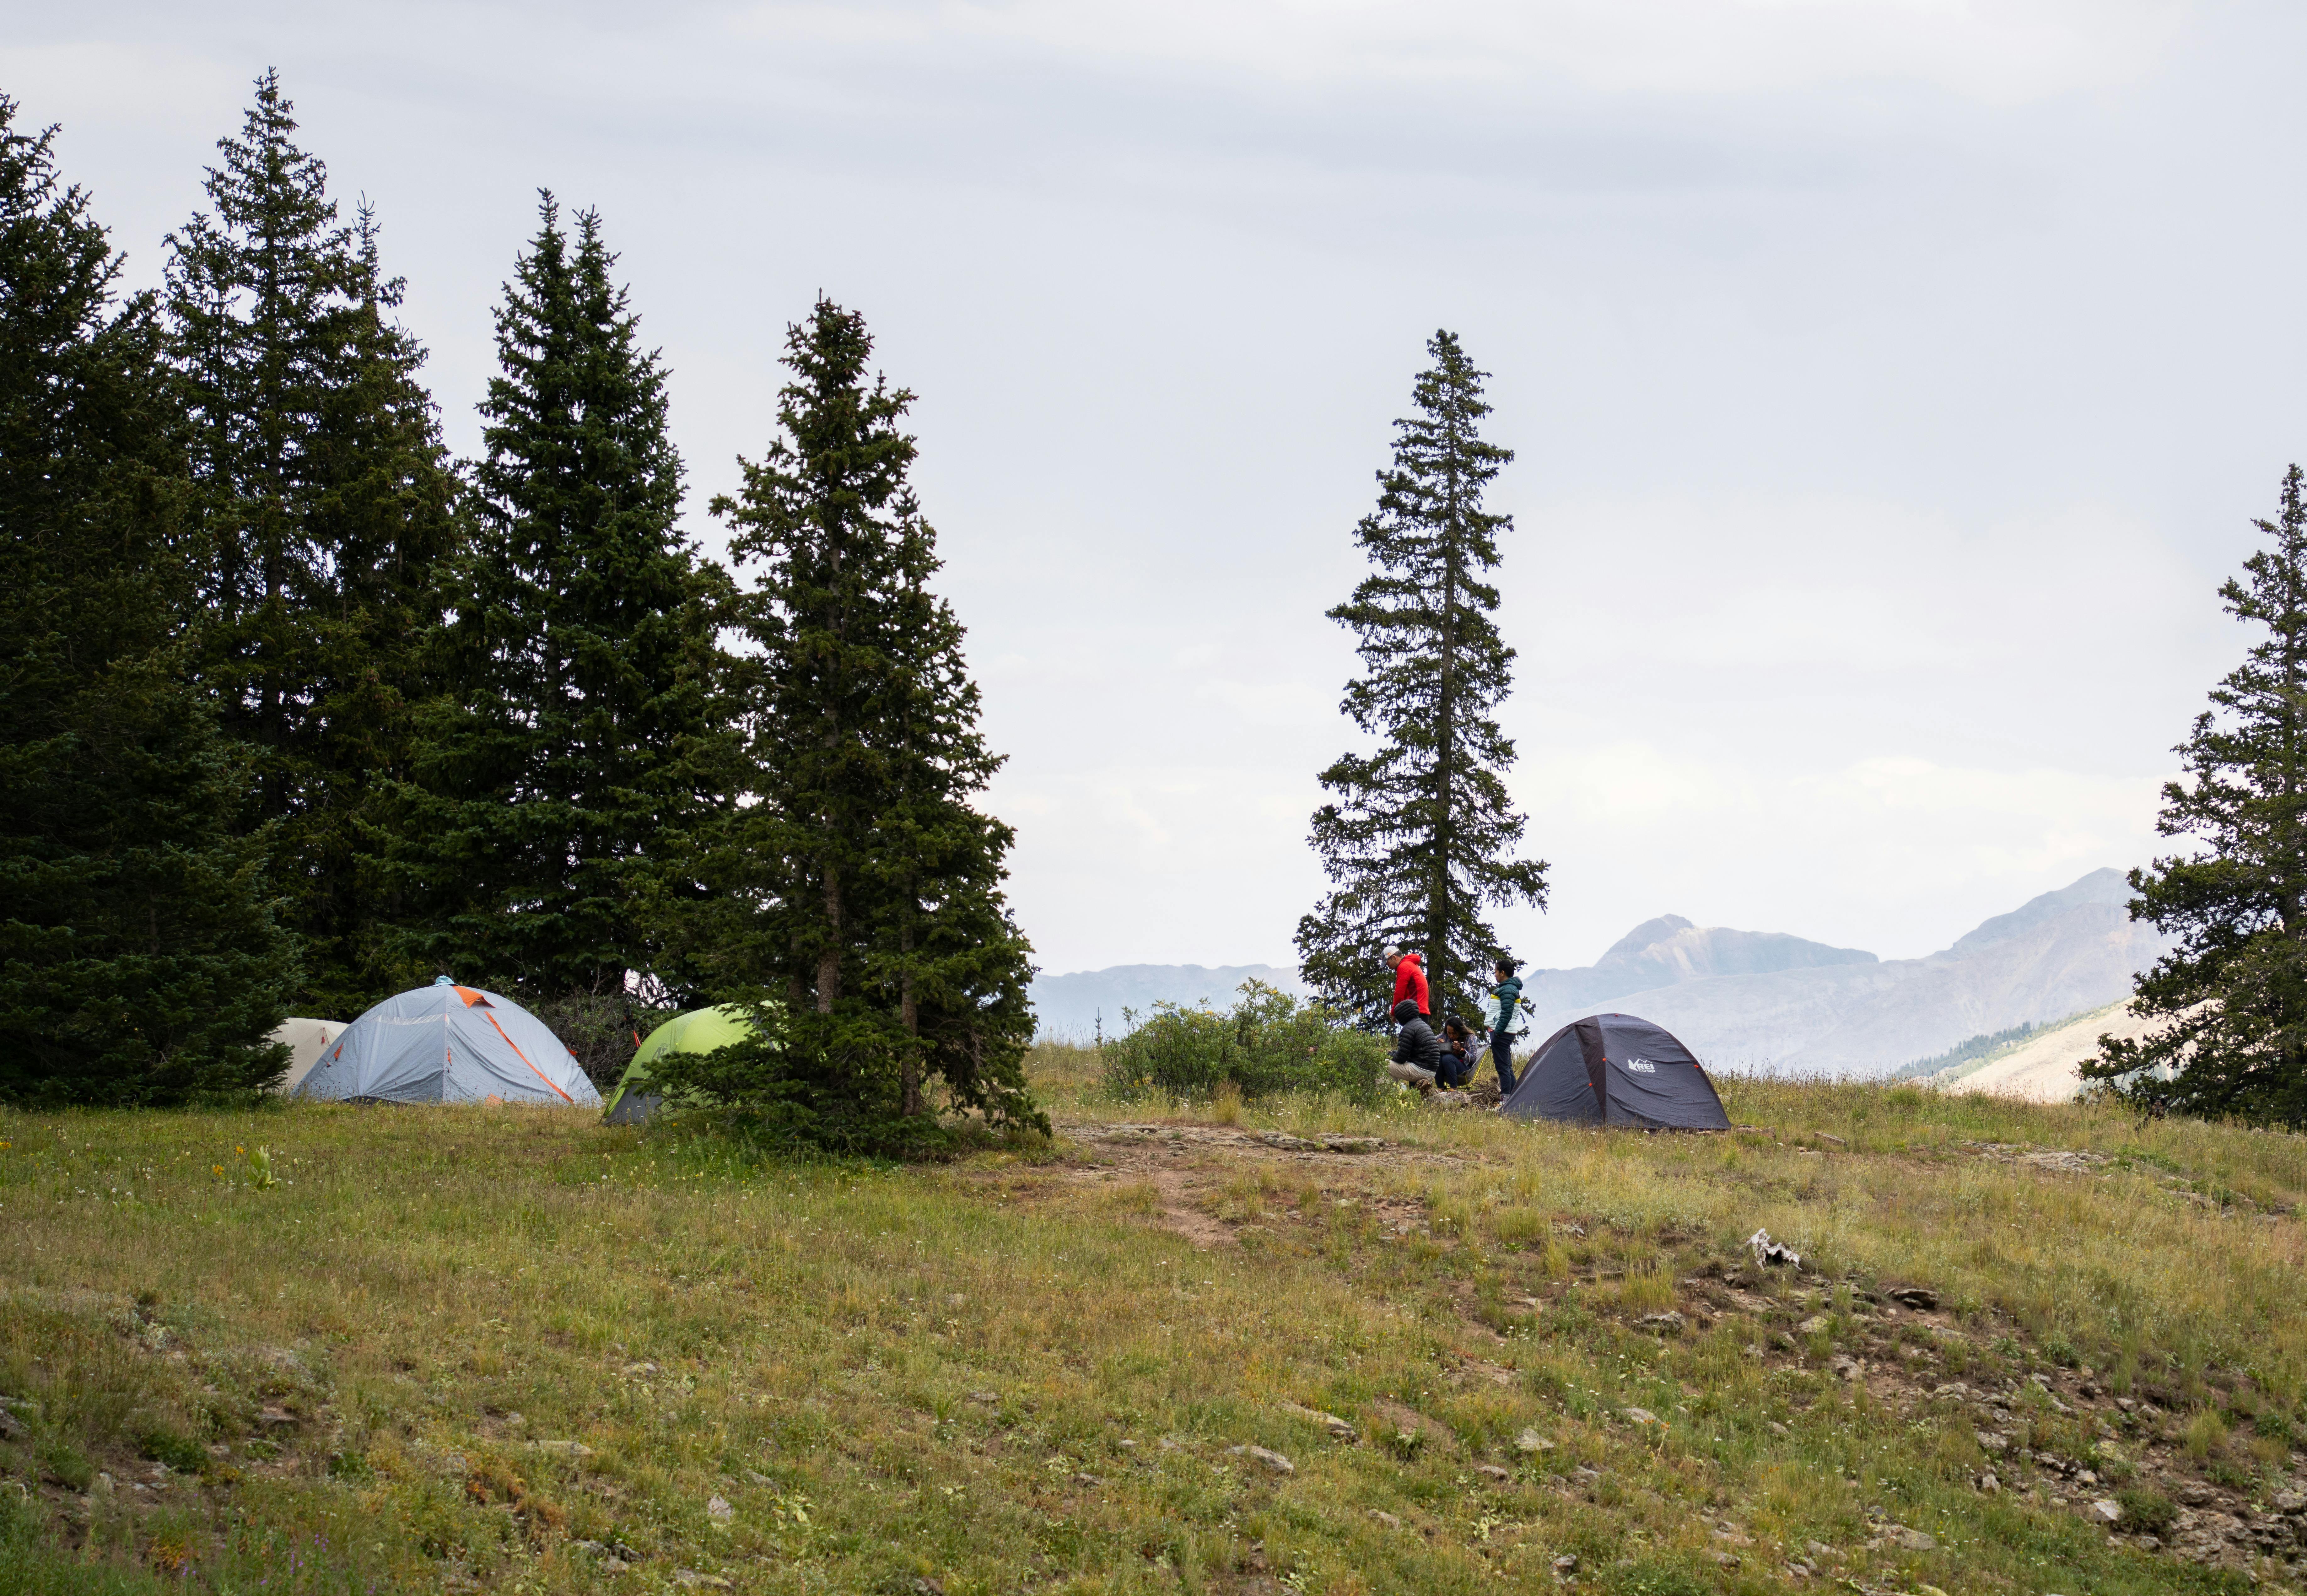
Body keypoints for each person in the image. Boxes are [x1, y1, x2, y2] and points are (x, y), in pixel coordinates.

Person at [1482, 957, 1524, 1094]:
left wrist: (1498, 1032)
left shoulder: (1507, 989)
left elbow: (1507, 1012)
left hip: (1502, 1032)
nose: (1495, 974)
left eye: (1496, 972)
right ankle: (1514, 1099)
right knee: (1507, 1067)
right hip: (1505, 1032)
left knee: (1503, 1069)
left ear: (1503, 973)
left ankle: (1505, 1101)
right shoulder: (1508, 988)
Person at [1384, 999, 1442, 1087]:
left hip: (1421, 1070)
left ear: (1402, 1016)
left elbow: (1401, 1058)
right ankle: (1394, 1093)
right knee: (1392, 1064)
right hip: (1431, 1071)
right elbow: (1406, 1053)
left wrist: (1389, 1054)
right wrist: (1393, 1053)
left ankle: (1386, 1095)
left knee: (1384, 1064)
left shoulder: (1408, 1029)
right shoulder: (1423, 1025)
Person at [1384, 945, 1429, 1017]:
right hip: (1422, 1012)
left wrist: (1394, 1012)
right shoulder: (1410, 964)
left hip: (1415, 1013)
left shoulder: (1404, 967)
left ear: (1394, 958)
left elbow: (1399, 994)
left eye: (1388, 964)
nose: (1389, 967)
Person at [1438, 1017, 1480, 1089]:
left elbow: (1473, 1060)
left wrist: (1461, 1050)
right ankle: (1440, 1089)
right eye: (1449, 1033)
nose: (1451, 1036)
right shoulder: (1445, 1035)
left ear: (1460, 1031)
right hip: (1446, 1068)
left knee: (1448, 1058)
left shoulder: (1470, 1037)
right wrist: (1438, 1043)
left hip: (1463, 1070)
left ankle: (1454, 1089)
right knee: (1438, 1058)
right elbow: (1431, 1040)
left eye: (1454, 1033)